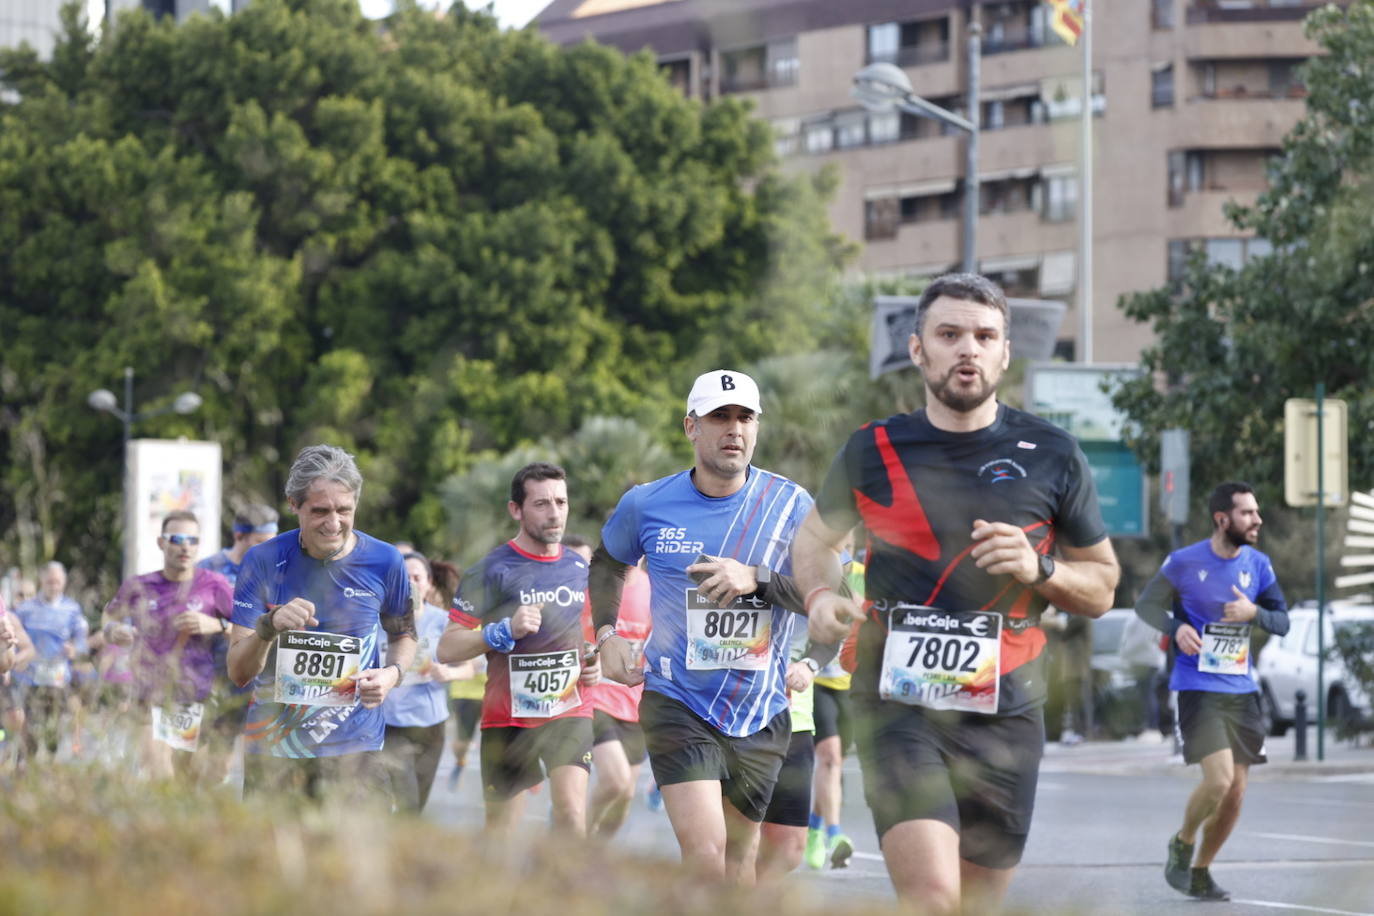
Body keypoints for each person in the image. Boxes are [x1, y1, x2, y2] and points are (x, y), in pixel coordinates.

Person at [794, 273, 1120, 915]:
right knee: (933, 899)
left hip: (1009, 709)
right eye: (950, 334)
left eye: (984, 336)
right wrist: (818, 596)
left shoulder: (1054, 455)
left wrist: (1040, 568)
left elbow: (1103, 584)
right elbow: (814, 539)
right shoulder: (873, 448)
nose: (967, 349)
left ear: (1004, 353)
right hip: (897, 704)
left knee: (973, 903)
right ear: (919, 349)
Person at [591, 369, 815, 882]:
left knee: (740, 864)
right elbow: (607, 563)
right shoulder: (647, 503)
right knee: (708, 855)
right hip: (678, 700)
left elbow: (834, 597)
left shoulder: (791, 506)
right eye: (719, 417)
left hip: (760, 706)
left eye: (744, 418)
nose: (733, 429)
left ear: (757, 428)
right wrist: (606, 636)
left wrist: (756, 579)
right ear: (691, 427)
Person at [227, 445, 416, 804]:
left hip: (355, 748)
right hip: (274, 750)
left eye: (344, 510)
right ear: (293, 504)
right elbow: (238, 671)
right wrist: (268, 627)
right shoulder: (263, 560)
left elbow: (404, 634)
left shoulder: (385, 560)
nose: (334, 523)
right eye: (320, 511)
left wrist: (391, 674)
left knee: (355, 861)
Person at [1135, 481, 1288, 902]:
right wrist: (1177, 627)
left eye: (1256, 513)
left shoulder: (1258, 565)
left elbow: (1282, 620)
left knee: (1236, 794)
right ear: (1222, 519)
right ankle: (1183, 842)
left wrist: (1254, 612)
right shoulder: (1183, 563)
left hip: (1242, 688)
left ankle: (1201, 871)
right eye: (1247, 513)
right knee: (1219, 782)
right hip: (1197, 685)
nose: (1257, 520)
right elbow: (1146, 606)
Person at [437, 462, 599, 835]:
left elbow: (588, 635)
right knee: (502, 835)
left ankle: (567, 891)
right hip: (508, 717)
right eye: (541, 504)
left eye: (561, 501)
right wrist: (501, 631)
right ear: (516, 509)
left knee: (572, 815)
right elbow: (447, 648)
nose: (555, 512)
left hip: (568, 710)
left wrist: (595, 662)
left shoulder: (579, 567)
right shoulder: (490, 570)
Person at [103, 514, 234, 781]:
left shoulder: (214, 584)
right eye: (177, 539)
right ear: (161, 543)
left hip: (197, 696)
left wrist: (216, 625)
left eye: (192, 540)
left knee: (192, 778)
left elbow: (248, 627)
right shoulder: (140, 585)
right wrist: (112, 631)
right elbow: (109, 616)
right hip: (150, 695)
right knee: (159, 774)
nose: (185, 547)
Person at [198, 504, 280, 777]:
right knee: (215, 764)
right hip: (218, 680)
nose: (269, 551)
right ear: (239, 537)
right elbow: (191, 618)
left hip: (263, 680)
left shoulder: (279, 570)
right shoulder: (209, 570)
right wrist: (219, 626)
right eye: (260, 543)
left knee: (264, 766)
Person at [379, 551, 462, 812]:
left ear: (428, 583)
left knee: (417, 806)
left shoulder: (443, 621)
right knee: (407, 800)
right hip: (388, 722)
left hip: (430, 725)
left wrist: (449, 673)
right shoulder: (376, 620)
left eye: (417, 577)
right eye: (405, 578)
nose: (412, 583)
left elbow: (471, 666)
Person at [806, 530, 862, 871]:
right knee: (829, 757)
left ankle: (814, 828)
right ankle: (834, 834)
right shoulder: (808, 575)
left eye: (848, 545)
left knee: (835, 764)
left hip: (852, 687)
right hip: (816, 682)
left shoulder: (867, 578)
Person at [585, 561, 652, 837]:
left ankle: (594, 856)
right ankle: (570, 842)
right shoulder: (591, 585)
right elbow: (567, 631)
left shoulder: (656, 587)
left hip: (635, 703)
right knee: (615, 781)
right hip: (595, 696)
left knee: (625, 797)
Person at [13, 562, 89, 760]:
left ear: (63, 583)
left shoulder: (72, 609)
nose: (53, 586)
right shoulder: (25, 609)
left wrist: (75, 649)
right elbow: (12, 637)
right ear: (42, 581)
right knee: (28, 722)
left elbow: (82, 638)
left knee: (54, 722)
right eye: (49, 582)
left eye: (57, 582)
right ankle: (25, 762)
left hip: (58, 676)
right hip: (30, 677)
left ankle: (51, 760)